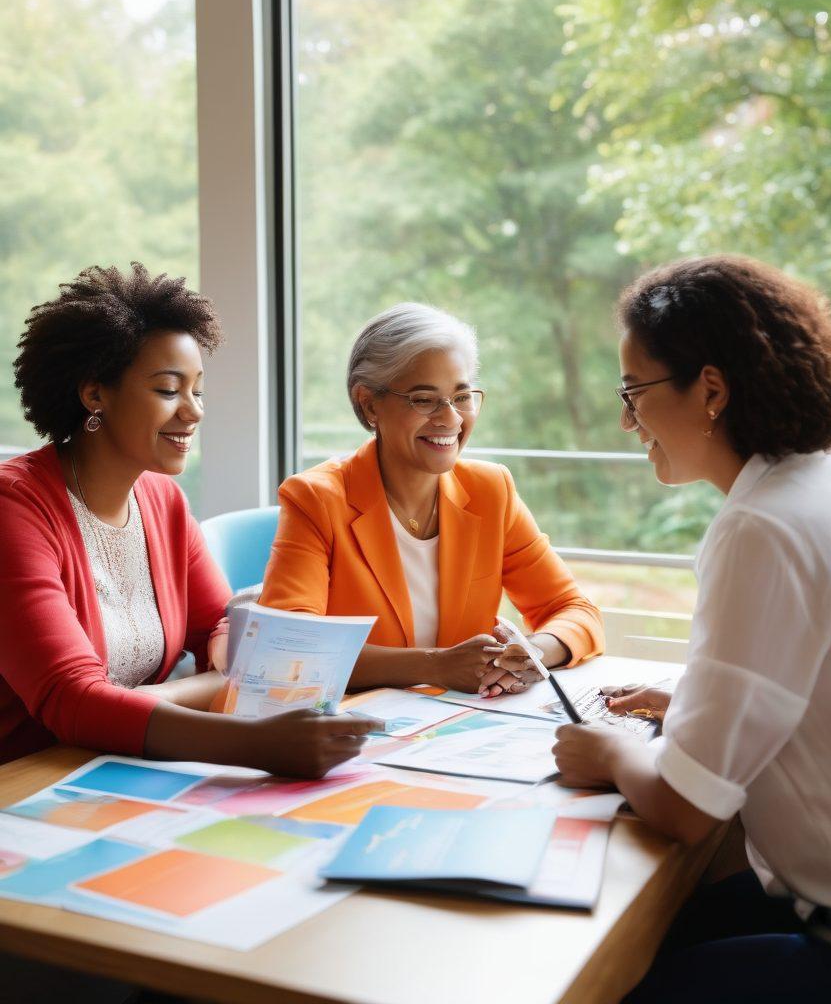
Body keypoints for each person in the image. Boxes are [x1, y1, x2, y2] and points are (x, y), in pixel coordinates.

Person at [552, 255, 831, 1003]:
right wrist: (690, 707)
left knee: (594, 974)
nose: (625, 419)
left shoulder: (761, 527)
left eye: (632, 391)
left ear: (709, 389)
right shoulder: (814, 485)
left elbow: (683, 808)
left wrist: (611, 753)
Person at [0, 264, 379, 778]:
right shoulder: (15, 508)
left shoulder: (163, 500)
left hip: (110, 766)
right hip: (25, 777)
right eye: (167, 389)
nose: (194, 411)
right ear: (94, 395)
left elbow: (229, 640)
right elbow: (71, 700)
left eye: (197, 390)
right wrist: (255, 745)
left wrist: (170, 692)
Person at [255, 302, 604, 693]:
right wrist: (434, 667)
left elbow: (574, 610)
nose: (451, 418)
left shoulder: (491, 490)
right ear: (369, 403)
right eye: (424, 399)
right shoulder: (316, 498)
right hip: (355, 727)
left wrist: (532, 652)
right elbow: (288, 648)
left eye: (462, 396)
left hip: (459, 727)